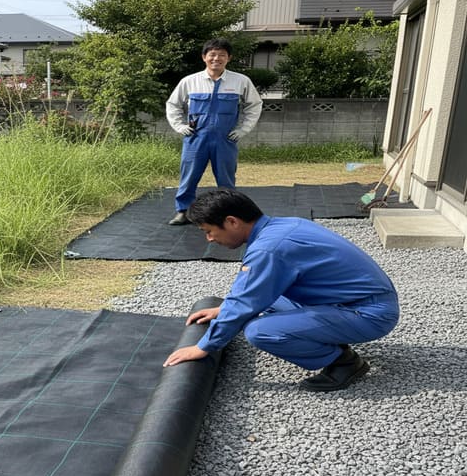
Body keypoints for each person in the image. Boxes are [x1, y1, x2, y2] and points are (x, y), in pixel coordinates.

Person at [162, 189, 400, 392]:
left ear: (232, 221)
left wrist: (203, 346)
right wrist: (225, 308)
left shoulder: (269, 248)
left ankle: (344, 362)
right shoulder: (284, 225)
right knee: (263, 299)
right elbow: (251, 292)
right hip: (355, 302)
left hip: (368, 314)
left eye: (209, 230)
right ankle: (329, 335)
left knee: (259, 331)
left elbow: (246, 300)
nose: (210, 239)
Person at [165, 38, 263, 225]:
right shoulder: (190, 81)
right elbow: (172, 104)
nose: (216, 58)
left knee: (226, 179)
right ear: (204, 57)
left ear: (228, 58)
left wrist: (243, 129)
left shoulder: (240, 81)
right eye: (212, 54)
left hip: (225, 139)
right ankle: (183, 211)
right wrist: (179, 126)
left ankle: (228, 213)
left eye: (222, 55)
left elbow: (255, 105)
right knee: (189, 176)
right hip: (195, 139)